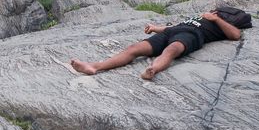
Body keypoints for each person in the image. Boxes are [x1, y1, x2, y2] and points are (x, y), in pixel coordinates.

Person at [70, 10, 244, 81]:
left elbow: (236, 35)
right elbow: (175, 27)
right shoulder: (201, 18)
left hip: (191, 35)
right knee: (134, 49)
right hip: (172, 31)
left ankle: (153, 69)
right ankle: (94, 67)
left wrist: (216, 19)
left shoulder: (221, 23)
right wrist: (155, 28)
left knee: (172, 50)